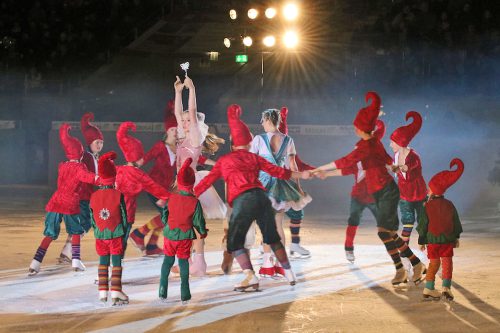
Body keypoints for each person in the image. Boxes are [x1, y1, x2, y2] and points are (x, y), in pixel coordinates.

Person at [311, 92, 426, 286]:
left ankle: (407, 267)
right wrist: (326, 174)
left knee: (385, 232)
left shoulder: (367, 146)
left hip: (387, 192)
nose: (354, 127)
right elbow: (362, 165)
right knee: (386, 233)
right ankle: (412, 265)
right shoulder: (372, 144)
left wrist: (320, 168)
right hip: (380, 193)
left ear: (360, 127)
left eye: (356, 124)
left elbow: (346, 160)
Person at [194, 104, 311, 291]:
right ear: (249, 144)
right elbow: (280, 171)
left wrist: (188, 195)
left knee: (235, 241)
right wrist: (301, 176)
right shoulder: (254, 158)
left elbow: (205, 183)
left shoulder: (225, 161)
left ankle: (251, 276)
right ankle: (289, 272)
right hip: (262, 197)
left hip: (243, 201)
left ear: (233, 144)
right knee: (272, 235)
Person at [173, 75, 226, 276]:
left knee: (194, 224)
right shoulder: (182, 135)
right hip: (181, 184)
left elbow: (191, 112)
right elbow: (179, 114)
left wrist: (192, 89)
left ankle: (198, 263)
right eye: (184, 121)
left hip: (192, 184)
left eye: (188, 121)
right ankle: (191, 260)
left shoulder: (194, 136)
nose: (185, 122)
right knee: (186, 223)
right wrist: (178, 92)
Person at [250, 108, 311, 277]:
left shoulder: (258, 139)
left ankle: (268, 265)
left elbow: (251, 163)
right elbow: (293, 166)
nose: (261, 123)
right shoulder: (288, 139)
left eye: (262, 120)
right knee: (278, 225)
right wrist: (297, 186)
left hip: (264, 184)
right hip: (282, 184)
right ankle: (282, 265)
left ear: (268, 119)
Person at [28, 124, 98, 275]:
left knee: (49, 234)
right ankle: (76, 261)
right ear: (79, 153)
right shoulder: (79, 167)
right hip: (70, 202)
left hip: (55, 201)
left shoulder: (63, 166)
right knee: (76, 231)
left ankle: (35, 263)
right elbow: (89, 178)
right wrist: (102, 179)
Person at [130, 100, 178, 256]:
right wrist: (134, 165)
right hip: (153, 186)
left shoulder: (178, 148)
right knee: (169, 215)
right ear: (167, 131)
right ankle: (139, 233)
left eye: (177, 129)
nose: (176, 131)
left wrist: (214, 162)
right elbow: (146, 157)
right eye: (173, 129)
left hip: (165, 189)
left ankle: (151, 246)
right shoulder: (160, 146)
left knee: (167, 215)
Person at [115, 122, 170, 257]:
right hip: (127, 213)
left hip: (111, 211)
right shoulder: (138, 175)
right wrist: (168, 196)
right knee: (121, 241)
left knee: (111, 239)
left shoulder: (117, 170)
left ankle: (106, 267)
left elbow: (101, 181)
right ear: (138, 155)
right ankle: (116, 268)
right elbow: (154, 187)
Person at [159, 158, 207, 304]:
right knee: (183, 262)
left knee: (167, 261)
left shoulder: (172, 198)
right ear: (192, 183)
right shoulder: (194, 202)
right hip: (185, 237)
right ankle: (184, 292)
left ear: (178, 182)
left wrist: (166, 223)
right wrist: (202, 231)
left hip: (170, 235)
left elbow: (164, 214)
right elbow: (199, 221)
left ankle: (162, 289)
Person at [58, 112, 104, 263]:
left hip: (85, 196)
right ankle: (69, 252)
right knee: (85, 224)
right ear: (89, 143)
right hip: (82, 196)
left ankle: (67, 251)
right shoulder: (87, 156)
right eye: (96, 142)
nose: (99, 145)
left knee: (81, 224)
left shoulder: (93, 157)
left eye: (101, 142)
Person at [417, 159, 464, 301]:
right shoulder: (449, 204)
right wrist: (456, 237)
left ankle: (429, 288)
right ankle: (446, 288)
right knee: (447, 262)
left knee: (434, 263)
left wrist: (421, 240)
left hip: (432, 241)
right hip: (447, 240)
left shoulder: (427, 206)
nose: (428, 190)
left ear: (433, 191)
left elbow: (423, 224)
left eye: (429, 188)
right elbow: (455, 222)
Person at [90, 152, 129, 305]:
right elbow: (124, 216)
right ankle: (116, 291)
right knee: (117, 262)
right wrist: (123, 231)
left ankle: (102, 291)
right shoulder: (118, 194)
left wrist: (98, 230)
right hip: (115, 234)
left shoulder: (94, 196)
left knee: (103, 261)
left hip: (100, 235)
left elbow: (93, 217)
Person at [389, 111, 427, 245]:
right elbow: (396, 169)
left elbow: (407, 167)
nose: (390, 145)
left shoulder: (414, 156)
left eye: (392, 142)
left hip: (419, 193)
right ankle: (405, 252)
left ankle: (425, 243)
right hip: (404, 194)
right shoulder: (396, 155)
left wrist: (397, 167)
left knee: (423, 220)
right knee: (407, 221)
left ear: (400, 142)